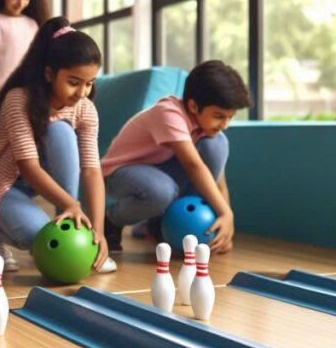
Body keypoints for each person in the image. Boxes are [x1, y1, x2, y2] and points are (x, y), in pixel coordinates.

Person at [0, 16, 115, 275]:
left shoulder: (85, 109)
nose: (82, 93)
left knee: (61, 132)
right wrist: (74, 204)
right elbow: (28, 165)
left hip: (42, 190)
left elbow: (91, 170)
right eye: (73, 82)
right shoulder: (18, 100)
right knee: (36, 235)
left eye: (89, 83)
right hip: (0, 190)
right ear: (49, 74)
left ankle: (71, 228)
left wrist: (98, 232)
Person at [102, 60, 252, 254]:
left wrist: (225, 226)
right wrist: (225, 213)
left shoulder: (204, 127)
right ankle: (111, 221)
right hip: (120, 173)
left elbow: (218, 181)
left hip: (160, 171)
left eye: (229, 118)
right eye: (219, 116)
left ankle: (160, 223)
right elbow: (193, 166)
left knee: (217, 144)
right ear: (193, 106)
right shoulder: (168, 113)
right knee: (161, 191)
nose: (224, 124)